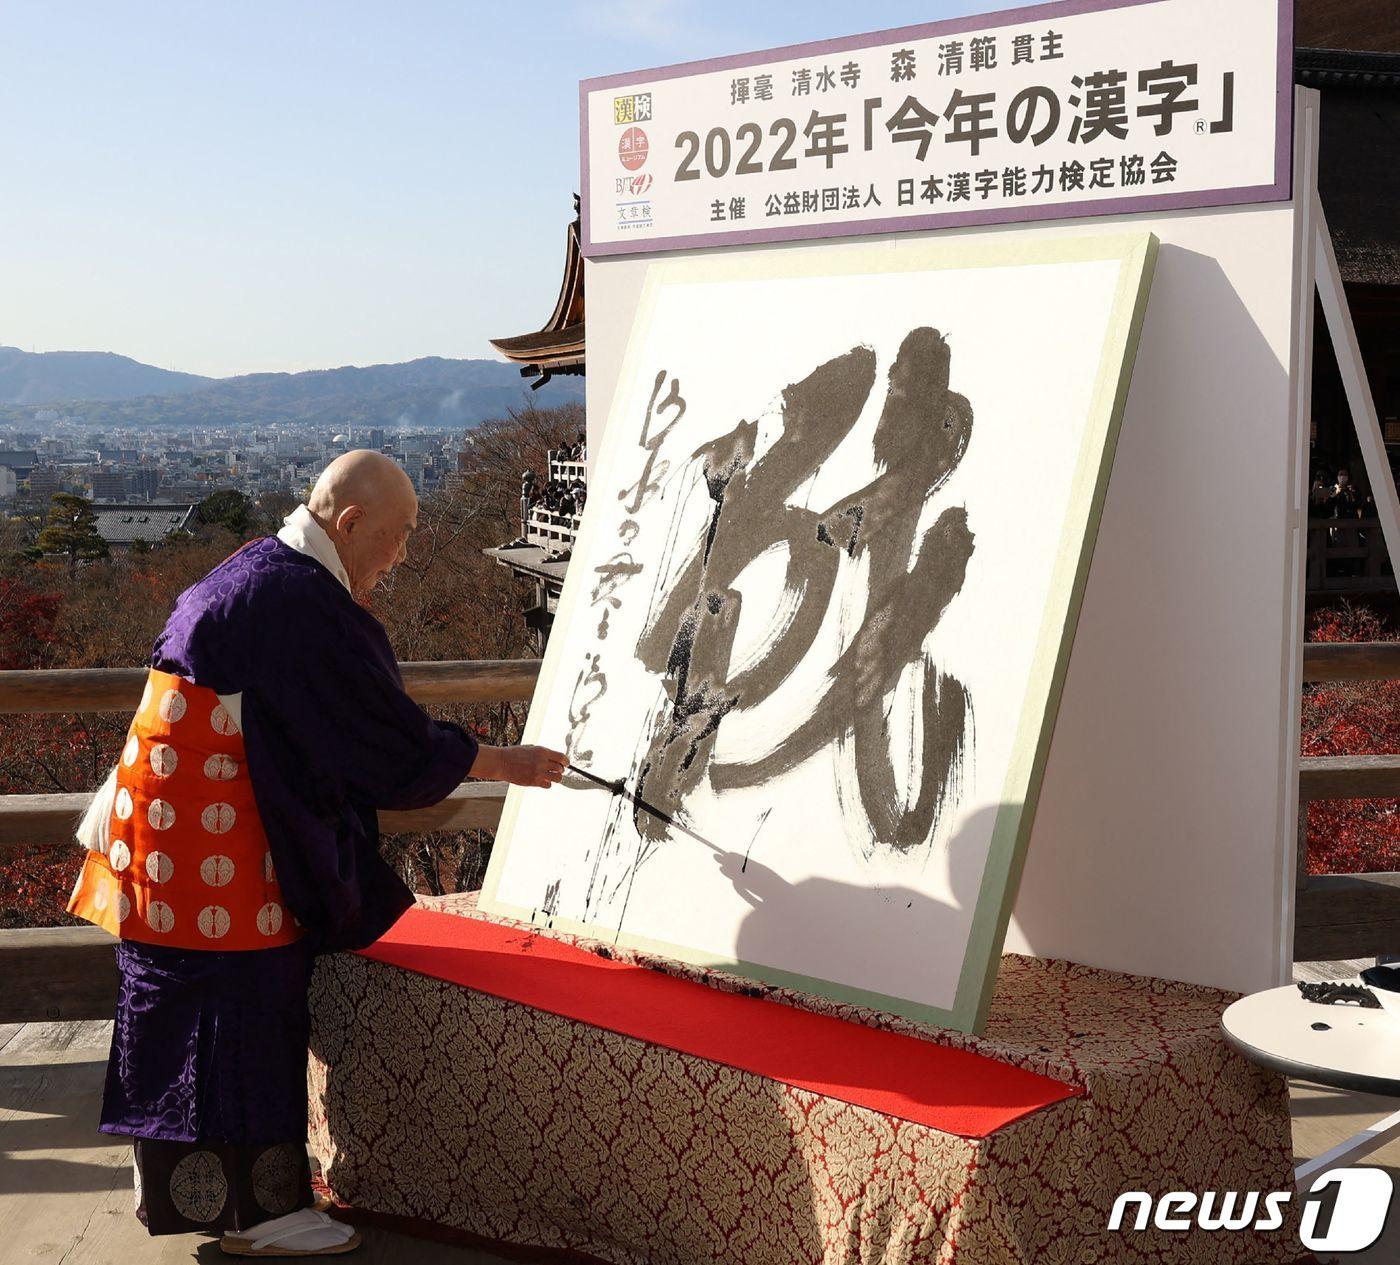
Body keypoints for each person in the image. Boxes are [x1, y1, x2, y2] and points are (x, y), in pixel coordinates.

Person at [66, 450, 566, 1256]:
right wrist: (503, 761)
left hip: (163, 839)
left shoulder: (254, 571)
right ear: (351, 521)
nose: (400, 558)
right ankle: (259, 1215)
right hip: (216, 855)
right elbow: (384, 739)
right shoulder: (301, 602)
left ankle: (185, 1195)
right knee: (248, 1014)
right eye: (398, 536)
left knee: (180, 1014)